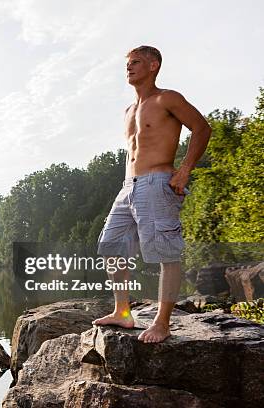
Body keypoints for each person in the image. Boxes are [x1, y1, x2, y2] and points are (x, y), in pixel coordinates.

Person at [93, 45, 211, 343]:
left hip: (157, 182)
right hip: (129, 187)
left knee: (166, 252)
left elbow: (201, 128)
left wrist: (184, 171)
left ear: (153, 65)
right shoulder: (129, 110)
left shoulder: (166, 98)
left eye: (136, 63)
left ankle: (162, 322)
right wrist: (126, 185)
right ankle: (123, 312)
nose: (129, 68)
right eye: (127, 63)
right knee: (110, 247)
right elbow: (132, 152)